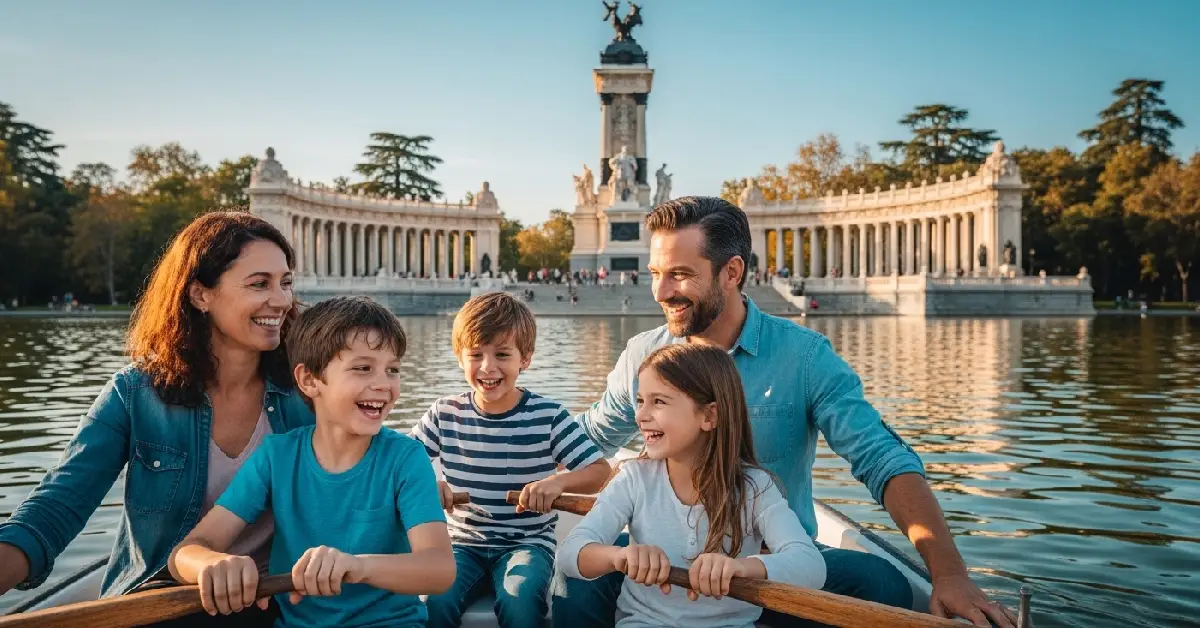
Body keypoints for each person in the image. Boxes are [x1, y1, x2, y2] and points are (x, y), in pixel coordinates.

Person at [552, 196, 1017, 628]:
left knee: (883, 585)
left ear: (731, 272)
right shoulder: (643, 354)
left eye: (679, 274)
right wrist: (507, 462)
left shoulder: (805, 356)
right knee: (575, 582)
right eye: (655, 272)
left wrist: (950, 574)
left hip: (771, 568)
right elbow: (590, 435)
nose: (660, 291)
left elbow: (881, 459)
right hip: (662, 567)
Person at [0, 211, 313, 626]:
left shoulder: (309, 387)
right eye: (260, 284)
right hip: (160, 600)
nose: (281, 300)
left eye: (285, 282)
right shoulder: (135, 393)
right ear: (201, 295)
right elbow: (57, 507)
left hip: (276, 605)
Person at [169, 296, 456, 627]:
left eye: (392, 369)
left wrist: (356, 566)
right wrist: (213, 565)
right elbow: (186, 552)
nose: (384, 384)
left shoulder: (406, 458)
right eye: (363, 368)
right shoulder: (276, 457)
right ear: (309, 380)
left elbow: (438, 569)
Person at [557, 343, 826, 627]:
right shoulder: (634, 479)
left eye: (658, 401)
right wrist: (620, 556)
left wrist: (740, 567)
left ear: (709, 416)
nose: (641, 415)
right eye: (640, 401)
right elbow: (571, 552)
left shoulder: (754, 488)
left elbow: (810, 564)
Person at [411, 292, 611, 628]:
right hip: (462, 543)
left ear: (525, 359)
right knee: (433, 600)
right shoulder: (444, 413)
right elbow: (401, 464)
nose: (488, 367)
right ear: (460, 358)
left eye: (502, 355)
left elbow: (599, 471)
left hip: (528, 543)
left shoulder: (548, 416)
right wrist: (428, 485)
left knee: (520, 600)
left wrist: (556, 482)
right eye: (476, 355)